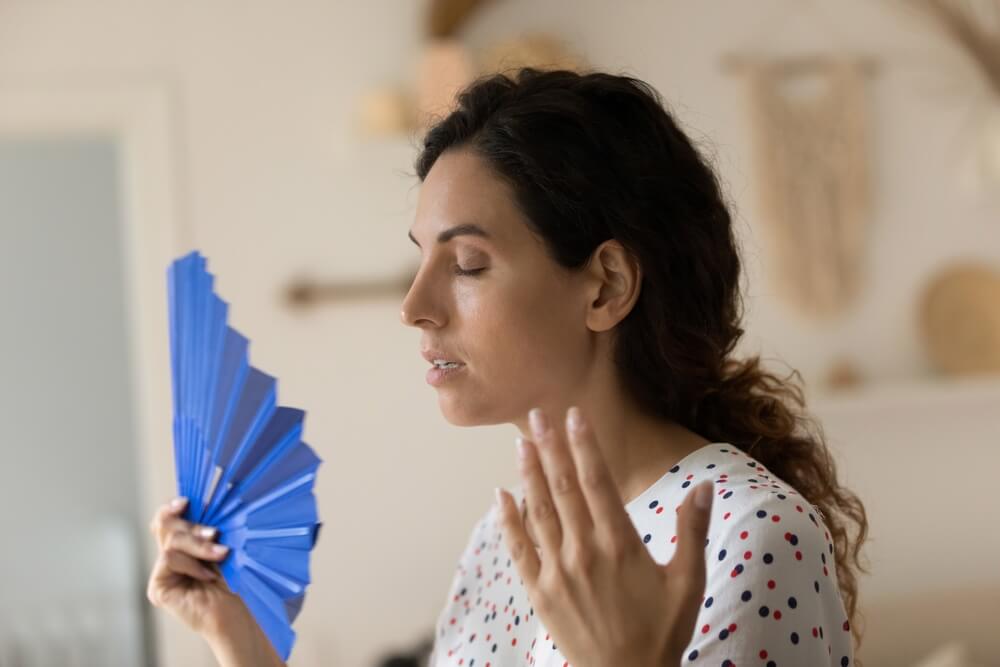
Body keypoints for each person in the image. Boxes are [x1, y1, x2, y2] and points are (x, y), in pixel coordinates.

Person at [148, 67, 869, 666]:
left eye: (467, 263)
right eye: (419, 258)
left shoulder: (750, 536)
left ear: (607, 285)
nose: (414, 306)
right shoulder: (508, 537)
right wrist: (238, 636)